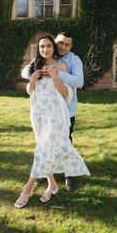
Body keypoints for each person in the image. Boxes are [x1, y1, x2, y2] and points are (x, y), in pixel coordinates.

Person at [14, 35, 90, 209]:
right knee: (43, 146)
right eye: (42, 46)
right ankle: (52, 184)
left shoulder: (62, 66)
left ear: (53, 48)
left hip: (56, 115)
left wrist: (56, 76)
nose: (45, 49)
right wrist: (32, 81)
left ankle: (27, 189)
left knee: (43, 148)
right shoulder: (35, 65)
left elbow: (66, 94)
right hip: (38, 113)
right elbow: (30, 91)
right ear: (38, 48)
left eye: (48, 46)